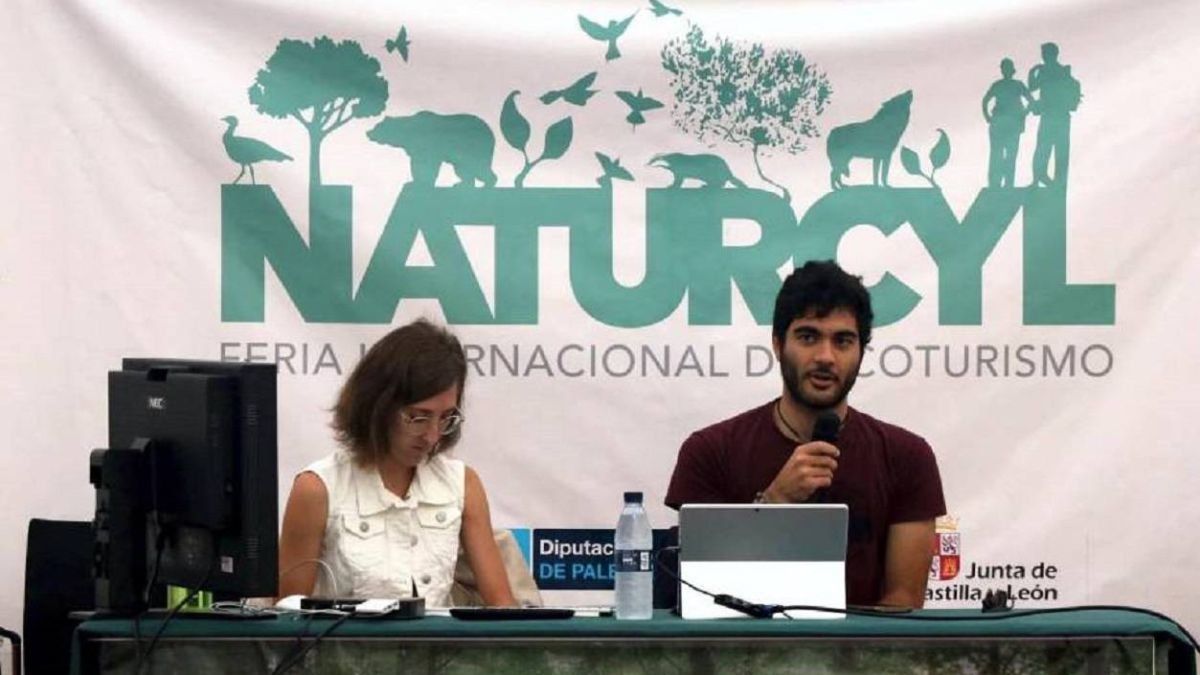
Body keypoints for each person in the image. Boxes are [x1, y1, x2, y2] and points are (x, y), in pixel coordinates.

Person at [664, 261, 945, 608]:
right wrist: (773, 503)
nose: (825, 357)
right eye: (808, 337)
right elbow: (699, 597)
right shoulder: (709, 451)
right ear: (778, 344)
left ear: (861, 352)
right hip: (738, 657)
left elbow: (903, 601)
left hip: (860, 659)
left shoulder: (908, 457)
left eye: (843, 340)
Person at [277, 319, 516, 606]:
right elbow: (288, 616)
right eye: (418, 417)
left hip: (439, 651)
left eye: (446, 418)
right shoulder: (317, 489)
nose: (432, 435)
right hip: (343, 650)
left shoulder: (463, 483)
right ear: (377, 406)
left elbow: (502, 607)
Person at [1028, 42, 1081, 187]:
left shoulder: (1047, 71)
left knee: (1045, 148)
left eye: (1044, 54)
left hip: (1052, 115)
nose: (1043, 57)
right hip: (1058, 116)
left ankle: (1041, 178)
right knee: (1057, 149)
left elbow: (1032, 87)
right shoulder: (1062, 71)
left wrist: (1033, 71)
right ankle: (1051, 180)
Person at [981, 57, 1033, 188]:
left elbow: (1031, 102)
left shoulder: (1017, 85)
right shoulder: (998, 85)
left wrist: (1023, 114)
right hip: (1000, 123)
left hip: (1010, 124)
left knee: (1008, 155)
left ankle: (1007, 184)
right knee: (997, 155)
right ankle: (996, 184)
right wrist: (987, 116)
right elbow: (985, 101)